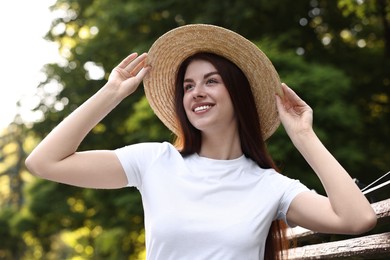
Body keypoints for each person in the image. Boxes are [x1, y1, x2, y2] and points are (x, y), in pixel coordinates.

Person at [25, 24, 376, 260]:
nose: (196, 93)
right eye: (188, 86)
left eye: (211, 81)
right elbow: (44, 162)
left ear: (237, 93)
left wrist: (302, 135)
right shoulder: (155, 161)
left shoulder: (271, 186)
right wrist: (111, 94)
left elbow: (358, 219)